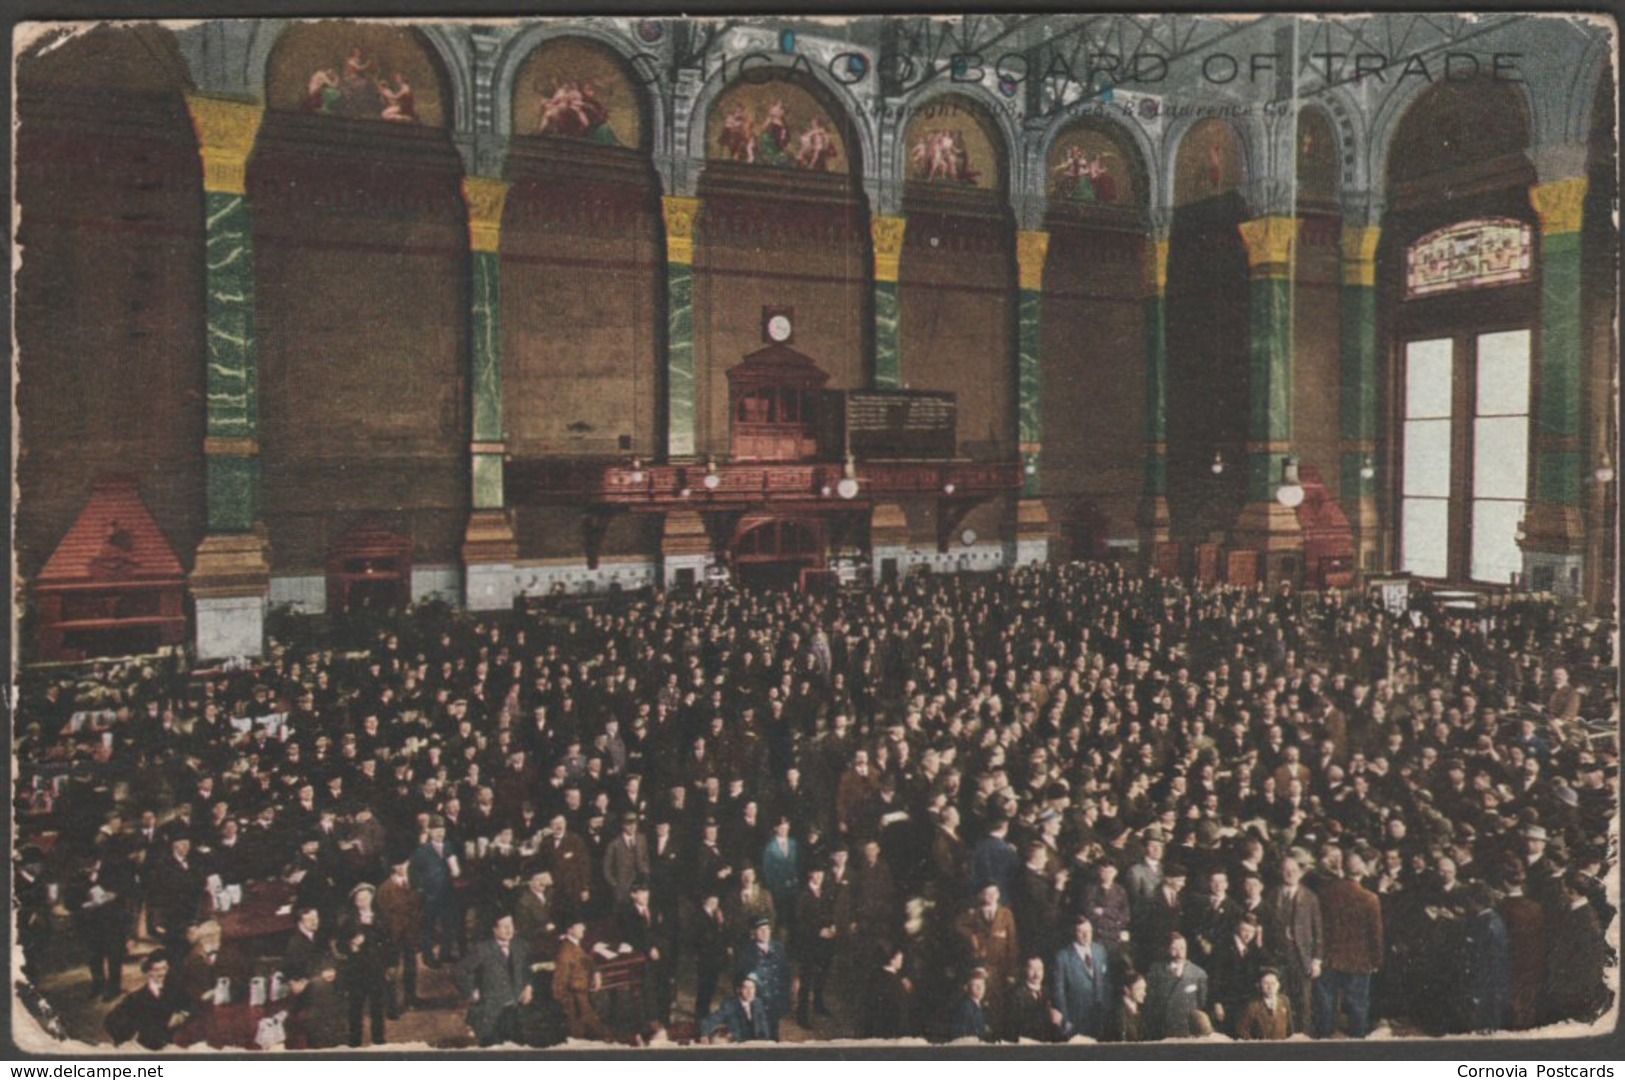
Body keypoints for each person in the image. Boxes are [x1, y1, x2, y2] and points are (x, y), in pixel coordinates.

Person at [1314, 847, 1382, 1038]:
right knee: (1358, 1005)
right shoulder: (1369, 898)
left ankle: (1323, 1044)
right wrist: (1376, 961)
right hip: (1359, 961)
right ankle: (1357, 1045)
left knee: (1326, 1005)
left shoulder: (1325, 893)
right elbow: (1375, 935)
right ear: (1362, 870)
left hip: (1329, 958)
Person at [455, 914, 534, 1047]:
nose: (509, 930)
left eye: (511, 925)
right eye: (504, 927)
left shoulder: (520, 946)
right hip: (491, 1011)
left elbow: (527, 969)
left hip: (515, 1009)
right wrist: (471, 992)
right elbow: (460, 971)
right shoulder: (483, 949)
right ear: (494, 930)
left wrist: (528, 986)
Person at [1266, 854, 1322, 1033]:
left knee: (1303, 1001)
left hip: (1301, 957)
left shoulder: (1310, 897)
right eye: (1286, 870)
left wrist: (1316, 960)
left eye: (1294, 870)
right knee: (1280, 999)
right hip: (1278, 956)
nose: (1290, 874)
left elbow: (1317, 930)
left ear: (1300, 873)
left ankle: (1303, 1038)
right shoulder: (1272, 895)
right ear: (1280, 873)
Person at [336, 883, 390, 1047]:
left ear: (372, 898)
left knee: (377, 1007)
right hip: (357, 970)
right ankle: (355, 1042)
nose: (363, 901)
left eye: (366, 898)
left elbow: (389, 943)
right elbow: (340, 945)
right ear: (355, 901)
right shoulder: (349, 921)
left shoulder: (381, 917)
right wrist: (352, 945)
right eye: (359, 899)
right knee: (355, 1007)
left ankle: (379, 1040)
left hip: (376, 969)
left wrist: (389, 965)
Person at [104, 952, 191, 1050]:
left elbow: (191, 1007)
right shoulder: (136, 998)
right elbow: (111, 1022)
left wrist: (182, 1015)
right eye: (157, 970)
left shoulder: (177, 990)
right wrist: (126, 1039)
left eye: (164, 968)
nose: (162, 973)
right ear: (148, 972)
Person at [1050, 915, 1111, 1040]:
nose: (1086, 935)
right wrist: (1066, 1019)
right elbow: (1059, 991)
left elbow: (1105, 983)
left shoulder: (1100, 951)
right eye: (1081, 932)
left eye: (1089, 931)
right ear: (1074, 933)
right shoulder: (1063, 957)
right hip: (1076, 1018)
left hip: (1098, 1017)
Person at [377, 855, 424, 1013]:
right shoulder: (385, 889)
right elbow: (383, 915)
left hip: (410, 933)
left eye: (406, 864)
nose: (405, 867)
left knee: (411, 966)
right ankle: (391, 1004)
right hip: (393, 935)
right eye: (402, 864)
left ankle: (411, 998)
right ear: (394, 867)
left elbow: (418, 907)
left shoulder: (413, 883)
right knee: (392, 969)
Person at [552, 917, 611, 1041]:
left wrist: (596, 973)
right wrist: (569, 1009)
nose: (583, 928)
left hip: (583, 998)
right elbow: (559, 985)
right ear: (570, 930)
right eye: (579, 926)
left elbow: (588, 961)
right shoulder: (565, 952)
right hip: (575, 1004)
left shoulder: (577, 945)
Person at [410, 819, 459, 966]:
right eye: (436, 830)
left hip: (447, 892)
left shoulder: (449, 846)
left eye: (442, 829)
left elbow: (455, 869)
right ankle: (428, 957)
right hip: (430, 895)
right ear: (429, 832)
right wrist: (420, 888)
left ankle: (445, 954)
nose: (440, 833)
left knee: (448, 924)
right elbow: (413, 871)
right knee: (428, 927)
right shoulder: (422, 851)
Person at [734, 915, 791, 1039]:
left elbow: (785, 974)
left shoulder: (778, 947)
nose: (765, 933)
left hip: (775, 1000)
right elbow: (739, 979)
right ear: (754, 933)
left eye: (767, 929)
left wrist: (786, 996)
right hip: (757, 1002)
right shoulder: (746, 952)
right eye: (761, 930)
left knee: (774, 1034)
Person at [1145, 933, 1210, 1039]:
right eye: (1174, 948)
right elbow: (1150, 1002)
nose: (1180, 953)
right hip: (1163, 1029)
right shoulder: (1156, 970)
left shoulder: (1198, 973)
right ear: (1167, 949)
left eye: (1182, 948)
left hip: (1187, 1030)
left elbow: (1202, 1004)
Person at [699, 974, 773, 1043]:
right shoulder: (730, 1005)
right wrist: (704, 1034)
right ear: (739, 990)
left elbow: (763, 1027)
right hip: (738, 1046)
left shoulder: (758, 1003)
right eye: (746, 988)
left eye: (752, 988)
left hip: (757, 1045)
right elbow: (709, 1021)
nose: (750, 992)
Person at [861, 943, 910, 1039]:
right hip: (889, 1029)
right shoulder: (889, 980)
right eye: (899, 958)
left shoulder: (879, 975)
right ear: (892, 960)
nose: (902, 961)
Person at [1237, 968, 1293, 1040]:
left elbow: (1290, 1029)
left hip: (1282, 1047)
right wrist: (1254, 1043)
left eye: (1273, 983)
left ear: (1278, 985)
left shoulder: (1285, 1001)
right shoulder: (1253, 1005)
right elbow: (1241, 1030)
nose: (1270, 987)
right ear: (1260, 985)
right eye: (1266, 983)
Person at [948, 967, 994, 1041]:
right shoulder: (965, 1007)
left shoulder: (981, 1007)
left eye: (982, 984)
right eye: (975, 984)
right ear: (966, 987)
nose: (980, 988)